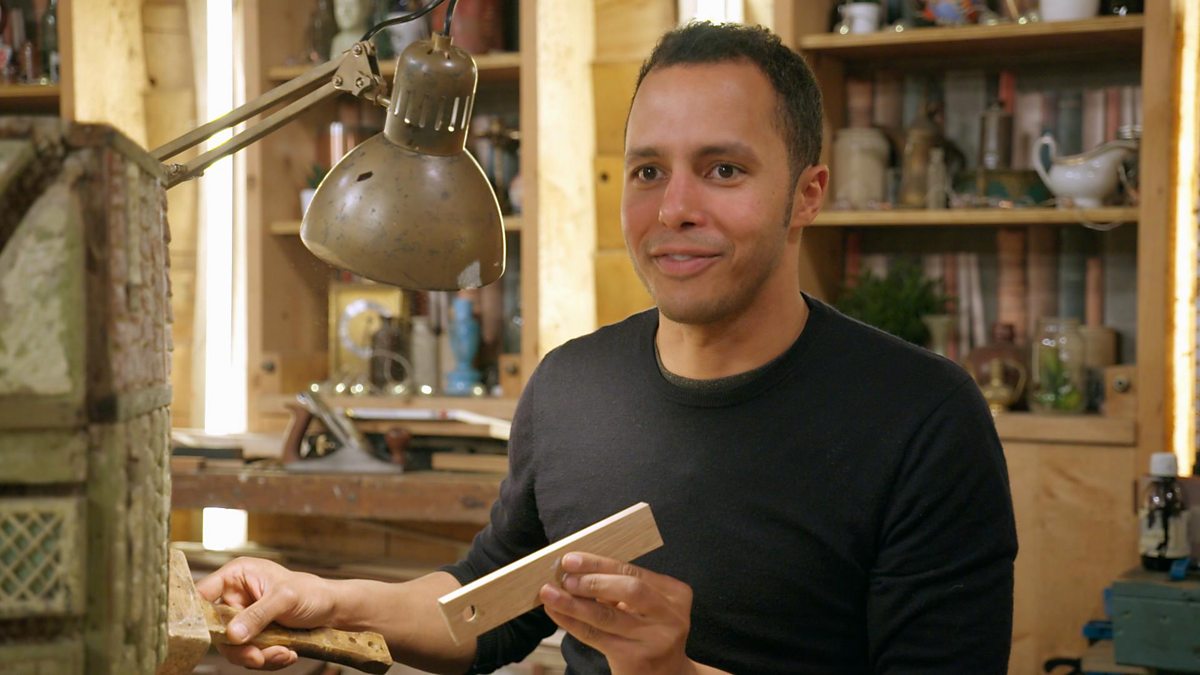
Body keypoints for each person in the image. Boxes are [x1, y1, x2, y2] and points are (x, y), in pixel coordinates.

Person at [199, 21, 1018, 674]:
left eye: (723, 170)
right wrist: (325, 600)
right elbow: (486, 606)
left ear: (807, 194)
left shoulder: (923, 418)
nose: (672, 209)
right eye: (648, 172)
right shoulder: (572, 385)